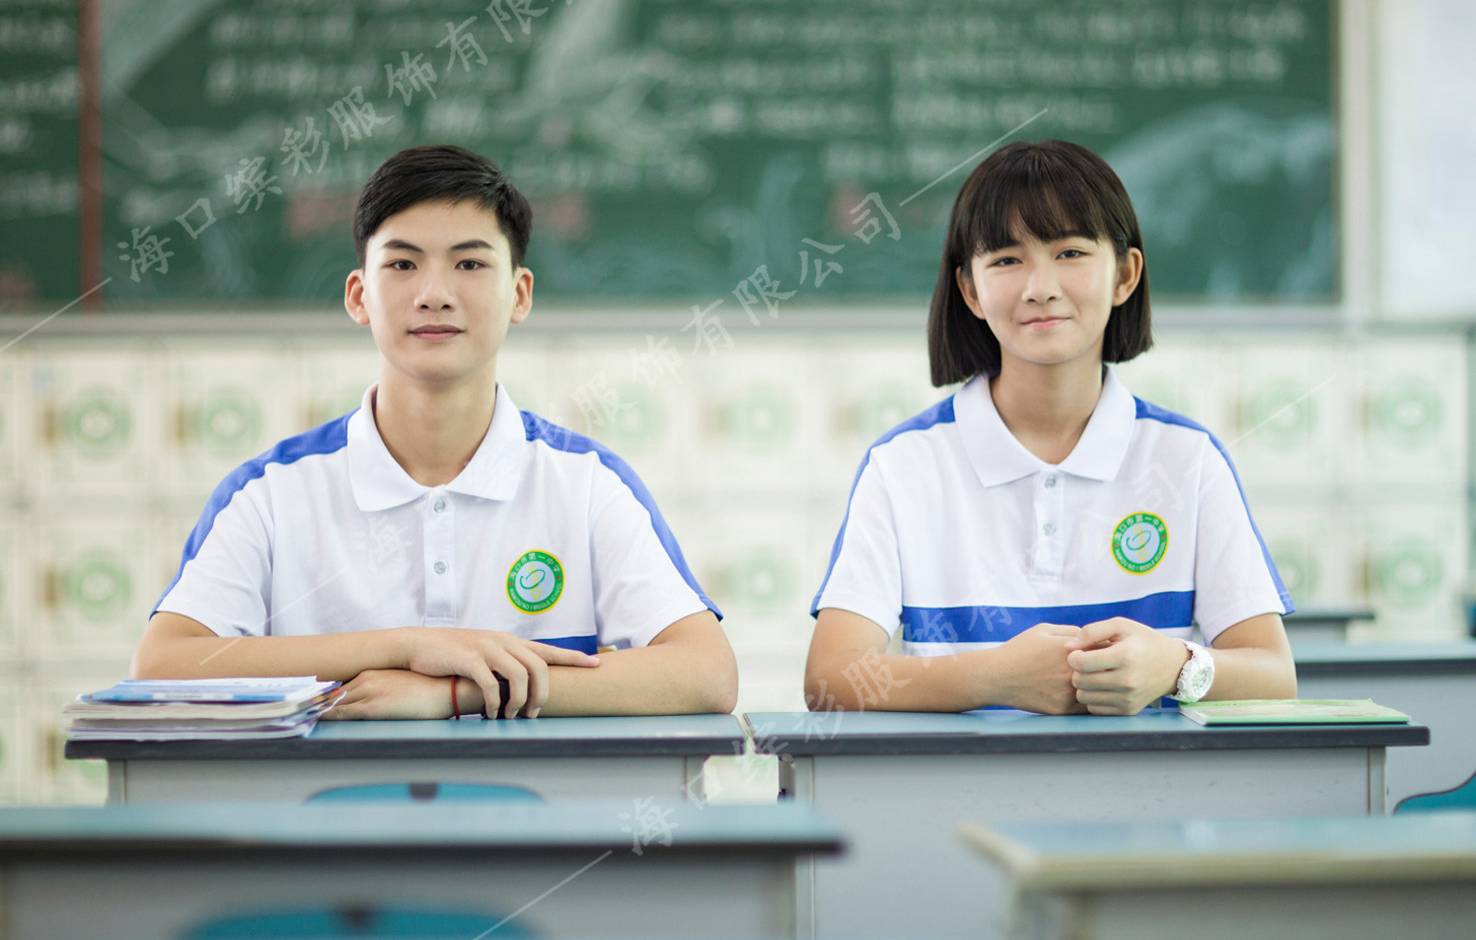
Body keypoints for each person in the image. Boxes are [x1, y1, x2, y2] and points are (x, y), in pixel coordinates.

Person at [133, 145, 738, 719]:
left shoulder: (585, 484)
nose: (434, 295)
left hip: (537, 823)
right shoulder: (270, 492)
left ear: (520, 294)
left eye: (470, 264)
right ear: (358, 296)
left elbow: (706, 674)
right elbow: (163, 665)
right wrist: (405, 647)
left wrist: (455, 692)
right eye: (401, 264)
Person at [806, 140, 1295, 716]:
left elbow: (1274, 674)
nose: (1040, 286)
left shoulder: (1187, 459)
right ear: (970, 291)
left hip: (1154, 796)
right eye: (1007, 260)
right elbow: (830, 681)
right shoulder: (905, 465)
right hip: (959, 801)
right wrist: (991, 679)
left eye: (1069, 252)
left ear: (1125, 274)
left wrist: (1176, 666)